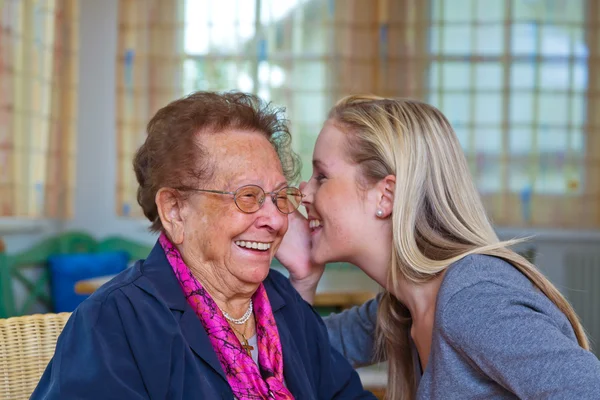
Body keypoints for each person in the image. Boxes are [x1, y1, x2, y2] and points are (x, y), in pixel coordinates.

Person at [32, 91, 375, 400]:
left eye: (278, 197)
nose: (276, 219)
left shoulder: (282, 300)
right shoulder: (115, 321)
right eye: (248, 196)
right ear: (175, 211)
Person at [275, 95, 600, 399]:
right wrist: (304, 278)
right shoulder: (401, 308)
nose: (303, 192)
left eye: (321, 175)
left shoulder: (473, 297)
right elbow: (297, 358)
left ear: (385, 195)